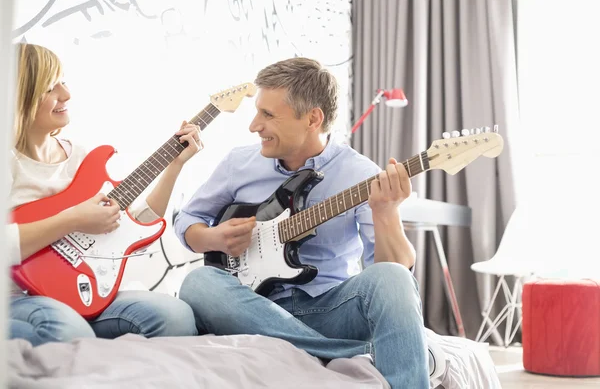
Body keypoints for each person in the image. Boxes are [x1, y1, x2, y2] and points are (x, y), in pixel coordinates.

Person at [174, 57, 430, 388]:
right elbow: (188, 220)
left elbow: (389, 272)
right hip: (252, 305)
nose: (254, 126)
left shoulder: (360, 175)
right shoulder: (240, 163)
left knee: (394, 277)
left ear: (312, 118)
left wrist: (386, 213)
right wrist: (215, 239)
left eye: (267, 115)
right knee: (199, 282)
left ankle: (311, 348)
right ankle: (342, 352)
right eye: (258, 112)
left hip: (328, 308)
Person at [7, 43, 200, 346]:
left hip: (87, 292)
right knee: (69, 333)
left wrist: (175, 165)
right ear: (18, 97)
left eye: (63, 81)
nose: (66, 95)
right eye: (50, 87)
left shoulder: (81, 157)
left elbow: (137, 218)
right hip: (19, 297)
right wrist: (72, 219)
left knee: (175, 315)